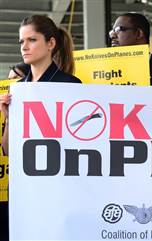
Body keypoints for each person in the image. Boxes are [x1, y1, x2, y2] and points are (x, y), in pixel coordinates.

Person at [0, 14, 82, 241]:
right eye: (21, 42)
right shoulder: (17, 89)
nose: (24, 47)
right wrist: (9, 118)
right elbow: (8, 150)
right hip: (25, 190)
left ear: (51, 43)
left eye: (31, 40)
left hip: (59, 189)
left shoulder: (70, 85)